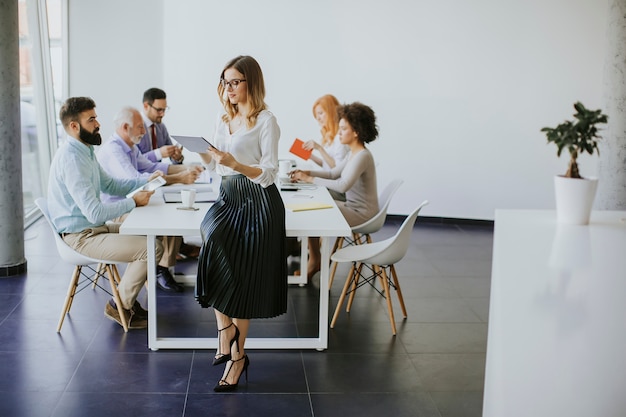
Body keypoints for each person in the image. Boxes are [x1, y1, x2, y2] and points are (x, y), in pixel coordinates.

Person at [196, 55, 287, 392]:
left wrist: (235, 162)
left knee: (243, 278)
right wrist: (206, 155)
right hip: (229, 195)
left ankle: (237, 357)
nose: (229, 88)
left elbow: (269, 172)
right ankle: (225, 329)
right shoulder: (225, 118)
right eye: (225, 81)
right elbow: (218, 169)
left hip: (258, 201)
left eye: (235, 81)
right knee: (211, 241)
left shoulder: (266, 120)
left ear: (251, 83)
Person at [47, 96, 165, 330]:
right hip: (81, 237)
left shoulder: (85, 150)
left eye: (95, 117)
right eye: (91, 119)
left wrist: (144, 181)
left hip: (91, 230)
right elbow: (95, 213)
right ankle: (118, 304)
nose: (98, 124)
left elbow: (110, 185)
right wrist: (133, 202)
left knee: (153, 238)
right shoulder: (72, 159)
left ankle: (125, 303)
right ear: (74, 126)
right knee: (152, 248)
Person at [97, 106, 204, 292]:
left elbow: (152, 167)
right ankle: (160, 268)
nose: (143, 131)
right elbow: (138, 182)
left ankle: (162, 267)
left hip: (135, 203)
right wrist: (180, 177)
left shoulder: (130, 147)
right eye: (140, 127)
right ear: (125, 127)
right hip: (119, 210)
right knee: (166, 217)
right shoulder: (114, 150)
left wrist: (188, 170)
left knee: (171, 214)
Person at [290, 102, 379, 276]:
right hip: (353, 207)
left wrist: (309, 178)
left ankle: (315, 260)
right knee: (312, 209)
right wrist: (306, 172)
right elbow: (332, 174)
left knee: (311, 212)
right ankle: (314, 259)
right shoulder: (353, 153)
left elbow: (343, 185)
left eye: (344, 129)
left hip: (362, 213)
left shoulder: (362, 156)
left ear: (356, 132)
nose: (339, 132)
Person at [138, 87, 200, 260]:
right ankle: (171, 253)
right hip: (144, 179)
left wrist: (176, 156)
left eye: (165, 109)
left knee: (189, 175)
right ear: (146, 106)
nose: (162, 113)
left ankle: (176, 247)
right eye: (159, 109)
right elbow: (135, 162)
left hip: (158, 177)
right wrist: (159, 153)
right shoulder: (137, 126)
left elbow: (172, 158)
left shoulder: (160, 127)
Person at [302, 94, 349, 171]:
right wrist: (310, 156)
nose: (318, 118)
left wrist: (319, 148)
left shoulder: (340, 137)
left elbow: (337, 169)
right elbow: (327, 165)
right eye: (316, 115)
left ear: (331, 112)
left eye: (320, 113)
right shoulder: (330, 136)